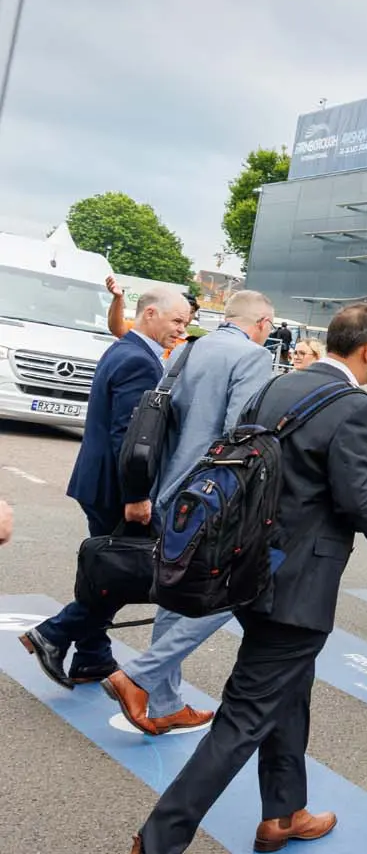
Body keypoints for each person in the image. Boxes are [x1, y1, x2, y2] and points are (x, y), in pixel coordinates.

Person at [132, 300, 367, 854]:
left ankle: (283, 814)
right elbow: (356, 498)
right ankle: (160, 838)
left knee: (290, 691)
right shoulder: (355, 406)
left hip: (252, 565)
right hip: (299, 586)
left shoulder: (278, 385)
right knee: (243, 717)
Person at [100, 291, 277, 737]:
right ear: (261, 321)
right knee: (226, 589)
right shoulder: (252, 358)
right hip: (211, 495)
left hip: (169, 488)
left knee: (172, 591)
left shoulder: (188, 349)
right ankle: (145, 679)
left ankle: (162, 700)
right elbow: (242, 433)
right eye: (270, 326)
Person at [21, 285, 190, 691]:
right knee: (119, 576)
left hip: (97, 480)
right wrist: (136, 496)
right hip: (113, 489)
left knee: (108, 572)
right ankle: (53, 633)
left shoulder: (126, 350)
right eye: (177, 321)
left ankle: (93, 658)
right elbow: (129, 439)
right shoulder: (139, 361)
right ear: (150, 314)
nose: (181, 331)